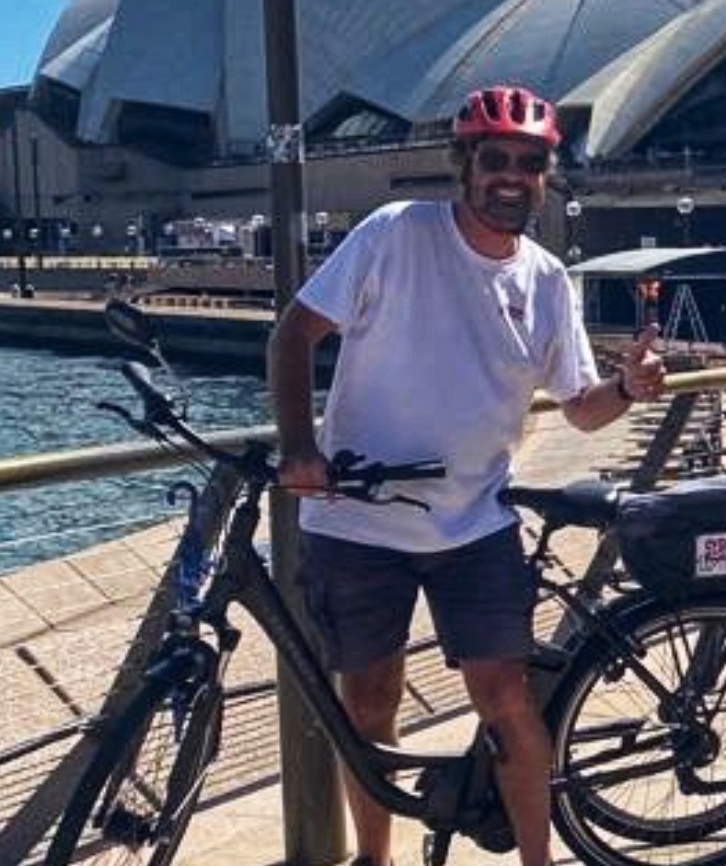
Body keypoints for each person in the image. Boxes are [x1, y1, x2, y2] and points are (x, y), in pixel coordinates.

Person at [268, 85, 667, 866]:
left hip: (473, 523)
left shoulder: (548, 278)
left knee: (506, 699)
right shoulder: (397, 233)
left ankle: (537, 861)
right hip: (356, 520)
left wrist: (629, 388)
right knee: (370, 703)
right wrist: (297, 447)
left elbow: (580, 410)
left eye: (529, 163)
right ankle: (375, 860)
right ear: (465, 166)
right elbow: (294, 335)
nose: (511, 178)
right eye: (495, 161)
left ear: (546, 176)